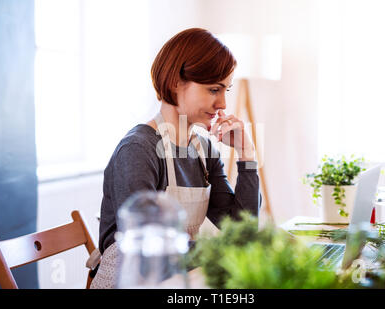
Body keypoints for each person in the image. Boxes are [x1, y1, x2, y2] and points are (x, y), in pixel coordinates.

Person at [90, 28, 262, 289]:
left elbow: (241, 230)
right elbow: (149, 249)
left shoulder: (204, 149)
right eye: (214, 89)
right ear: (175, 83)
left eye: (226, 89)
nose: (223, 103)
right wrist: (221, 252)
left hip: (177, 278)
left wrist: (246, 155)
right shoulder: (138, 149)